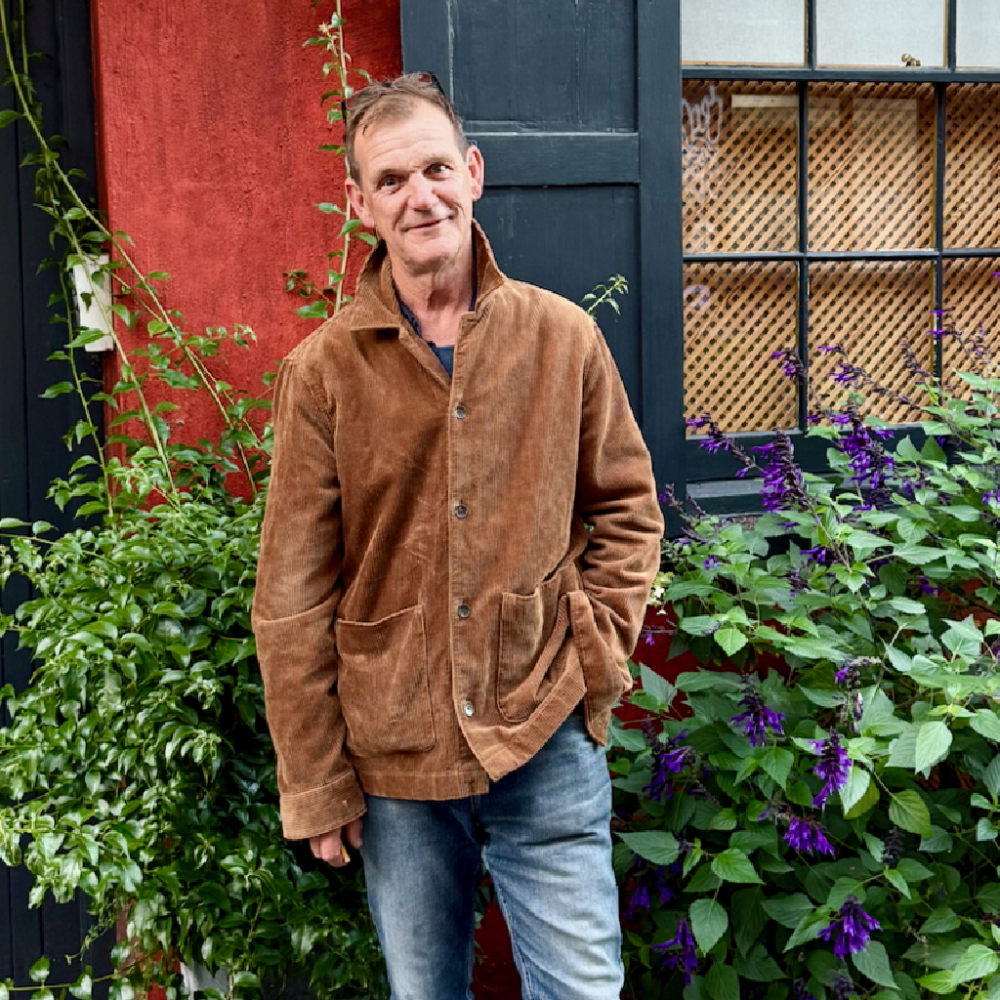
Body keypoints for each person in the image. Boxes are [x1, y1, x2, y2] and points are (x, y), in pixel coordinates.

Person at [252, 72, 664, 1000]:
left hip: (543, 732)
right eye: (391, 180)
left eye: (436, 169)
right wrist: (315, 779)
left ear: (473, 172)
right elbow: (291, 594)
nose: (421, 196)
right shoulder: (322, 374)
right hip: (394, 756)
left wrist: (594, 649)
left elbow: (629, 509)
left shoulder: (562, 338)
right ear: (358, 203)